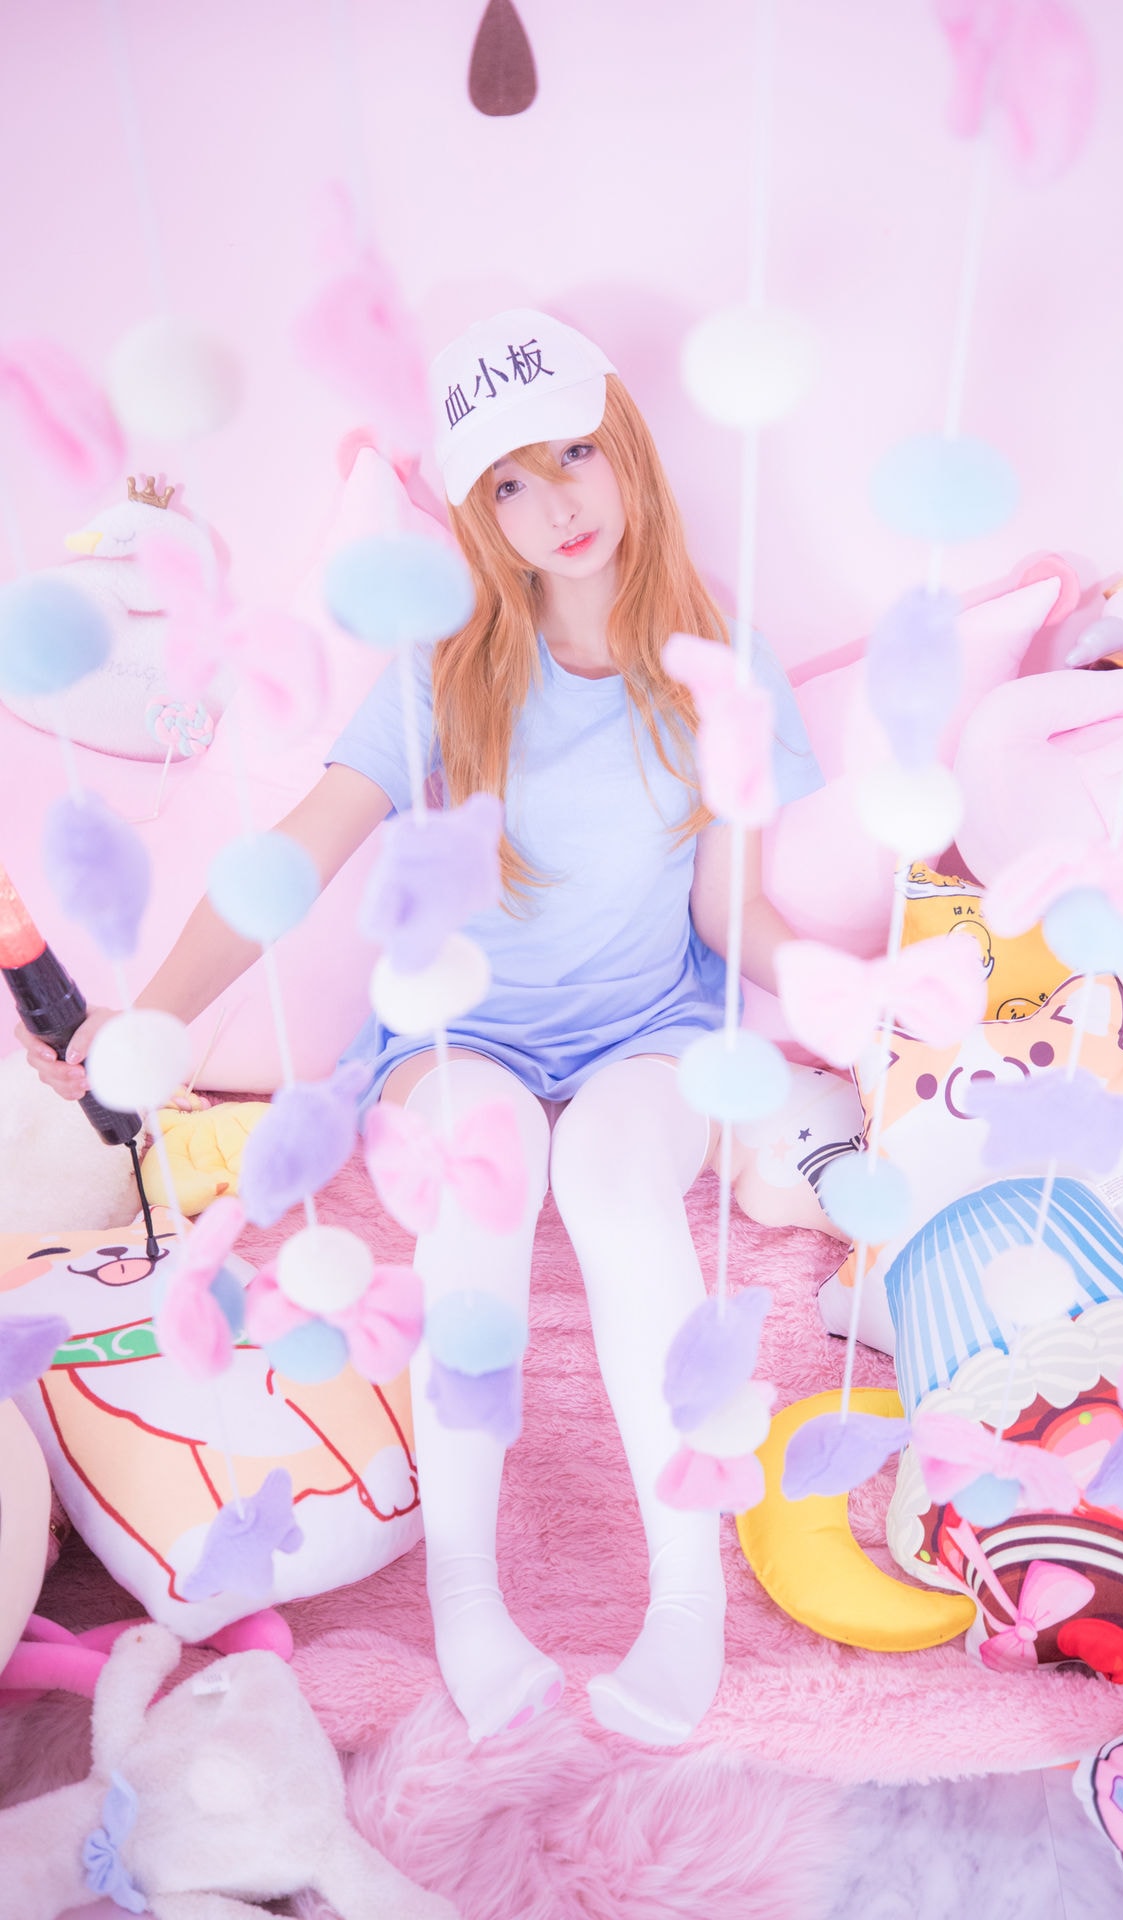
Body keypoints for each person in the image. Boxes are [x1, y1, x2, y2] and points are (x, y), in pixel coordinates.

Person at [20, 308, 864, 1747]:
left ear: (625, 443)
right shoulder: (450, 669)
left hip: (650, 1032)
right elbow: (293, 860)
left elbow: (729, 913)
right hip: (459, 1043)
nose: (557, 506)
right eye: (509, 486)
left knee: (610, 1177)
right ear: (478, 514)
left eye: (575, 455)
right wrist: (147, 1017)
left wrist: (854, 1000)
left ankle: (687, 1603)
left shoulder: (721, 660)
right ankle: (469, 1598)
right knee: (483, 1175)